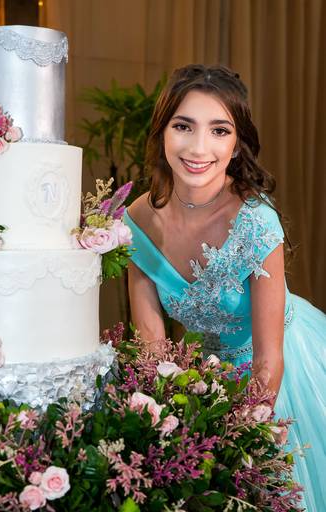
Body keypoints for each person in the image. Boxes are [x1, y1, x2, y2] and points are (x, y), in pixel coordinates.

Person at [124, 64, 325, 511]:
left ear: (236, 145)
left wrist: (241, 437)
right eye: (183, 126)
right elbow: (153, 347)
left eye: (219, 130)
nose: (199, 148)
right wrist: (166, 422)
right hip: (203, 374)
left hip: (281, 367)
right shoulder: (136, 222)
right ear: (162, 132)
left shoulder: (255, 220)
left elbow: (269, 359)